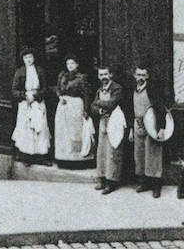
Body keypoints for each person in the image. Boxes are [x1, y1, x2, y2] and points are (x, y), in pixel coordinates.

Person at [11, 47, 51, 166]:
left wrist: (36, 96)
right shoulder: (20, 72)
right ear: (23, 59)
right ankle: (26, 156)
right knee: (26, 128)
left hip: (38, 102)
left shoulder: (40, 71)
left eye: (30, 57)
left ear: (34, 58)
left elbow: (45, 88)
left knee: (40, 127)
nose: (28, 60)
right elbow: (14, 90)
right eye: (26, 57)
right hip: (25, 103)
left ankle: (41, 156)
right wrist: (24, 96)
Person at [129, 64, 165, 198]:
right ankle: (144, 182)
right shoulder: (133, 90)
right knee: (139, 155)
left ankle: (156, 186)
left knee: (153, 155)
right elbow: (130, 110)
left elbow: (161, 109)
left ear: (148, 76)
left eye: (143, 75)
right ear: (134, 76)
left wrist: (161, 128)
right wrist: (131, 129)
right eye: (138, 75)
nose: (141, 78)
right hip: (138, 124)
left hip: (152, 124)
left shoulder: (152, 90)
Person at [54, 54, 93, 167]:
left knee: (75, 131)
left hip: (76, 105)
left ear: (77, 64)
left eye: (72, 63)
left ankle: (77, 160)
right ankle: (64, 158)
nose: (70, 66)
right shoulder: (62, 75)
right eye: (68, 63)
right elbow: (58, 89)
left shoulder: (81, 77)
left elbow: (86, 94)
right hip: (63, 105)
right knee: (63, 131)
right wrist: (60, 97)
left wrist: (86, 110)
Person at [91, 66, 125, 194]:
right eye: (101, 75)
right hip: (103, 121)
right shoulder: (100, 89)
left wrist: (99, 103)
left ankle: (112, 181)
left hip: (115, 121)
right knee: (102, 151)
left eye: (105, 74)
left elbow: (112, 103)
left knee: (113, 152)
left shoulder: (117, 88)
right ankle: (102, 179)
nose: (103, 77)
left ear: (110, 74)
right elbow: (92, 106)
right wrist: (99, 109)